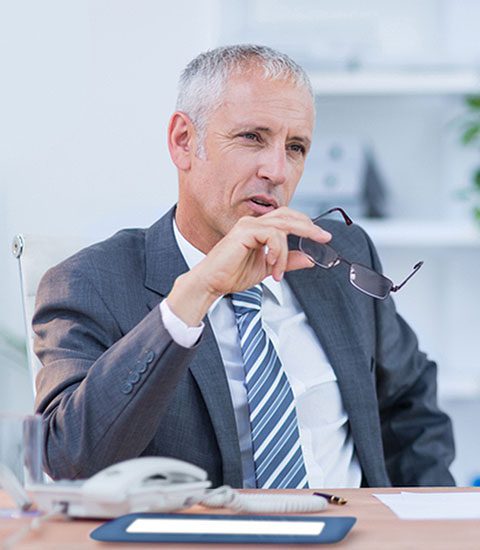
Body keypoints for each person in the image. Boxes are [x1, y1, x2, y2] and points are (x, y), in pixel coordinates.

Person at [33, 44, 455, 488]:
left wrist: (433, 517)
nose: (277, 170)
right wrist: (193, 298)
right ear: (183, 141)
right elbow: (69, 457)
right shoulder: (88, 283)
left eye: (296, 147)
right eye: (252, 137)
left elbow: (410, 405)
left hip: (358, 521)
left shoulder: (338, 254)